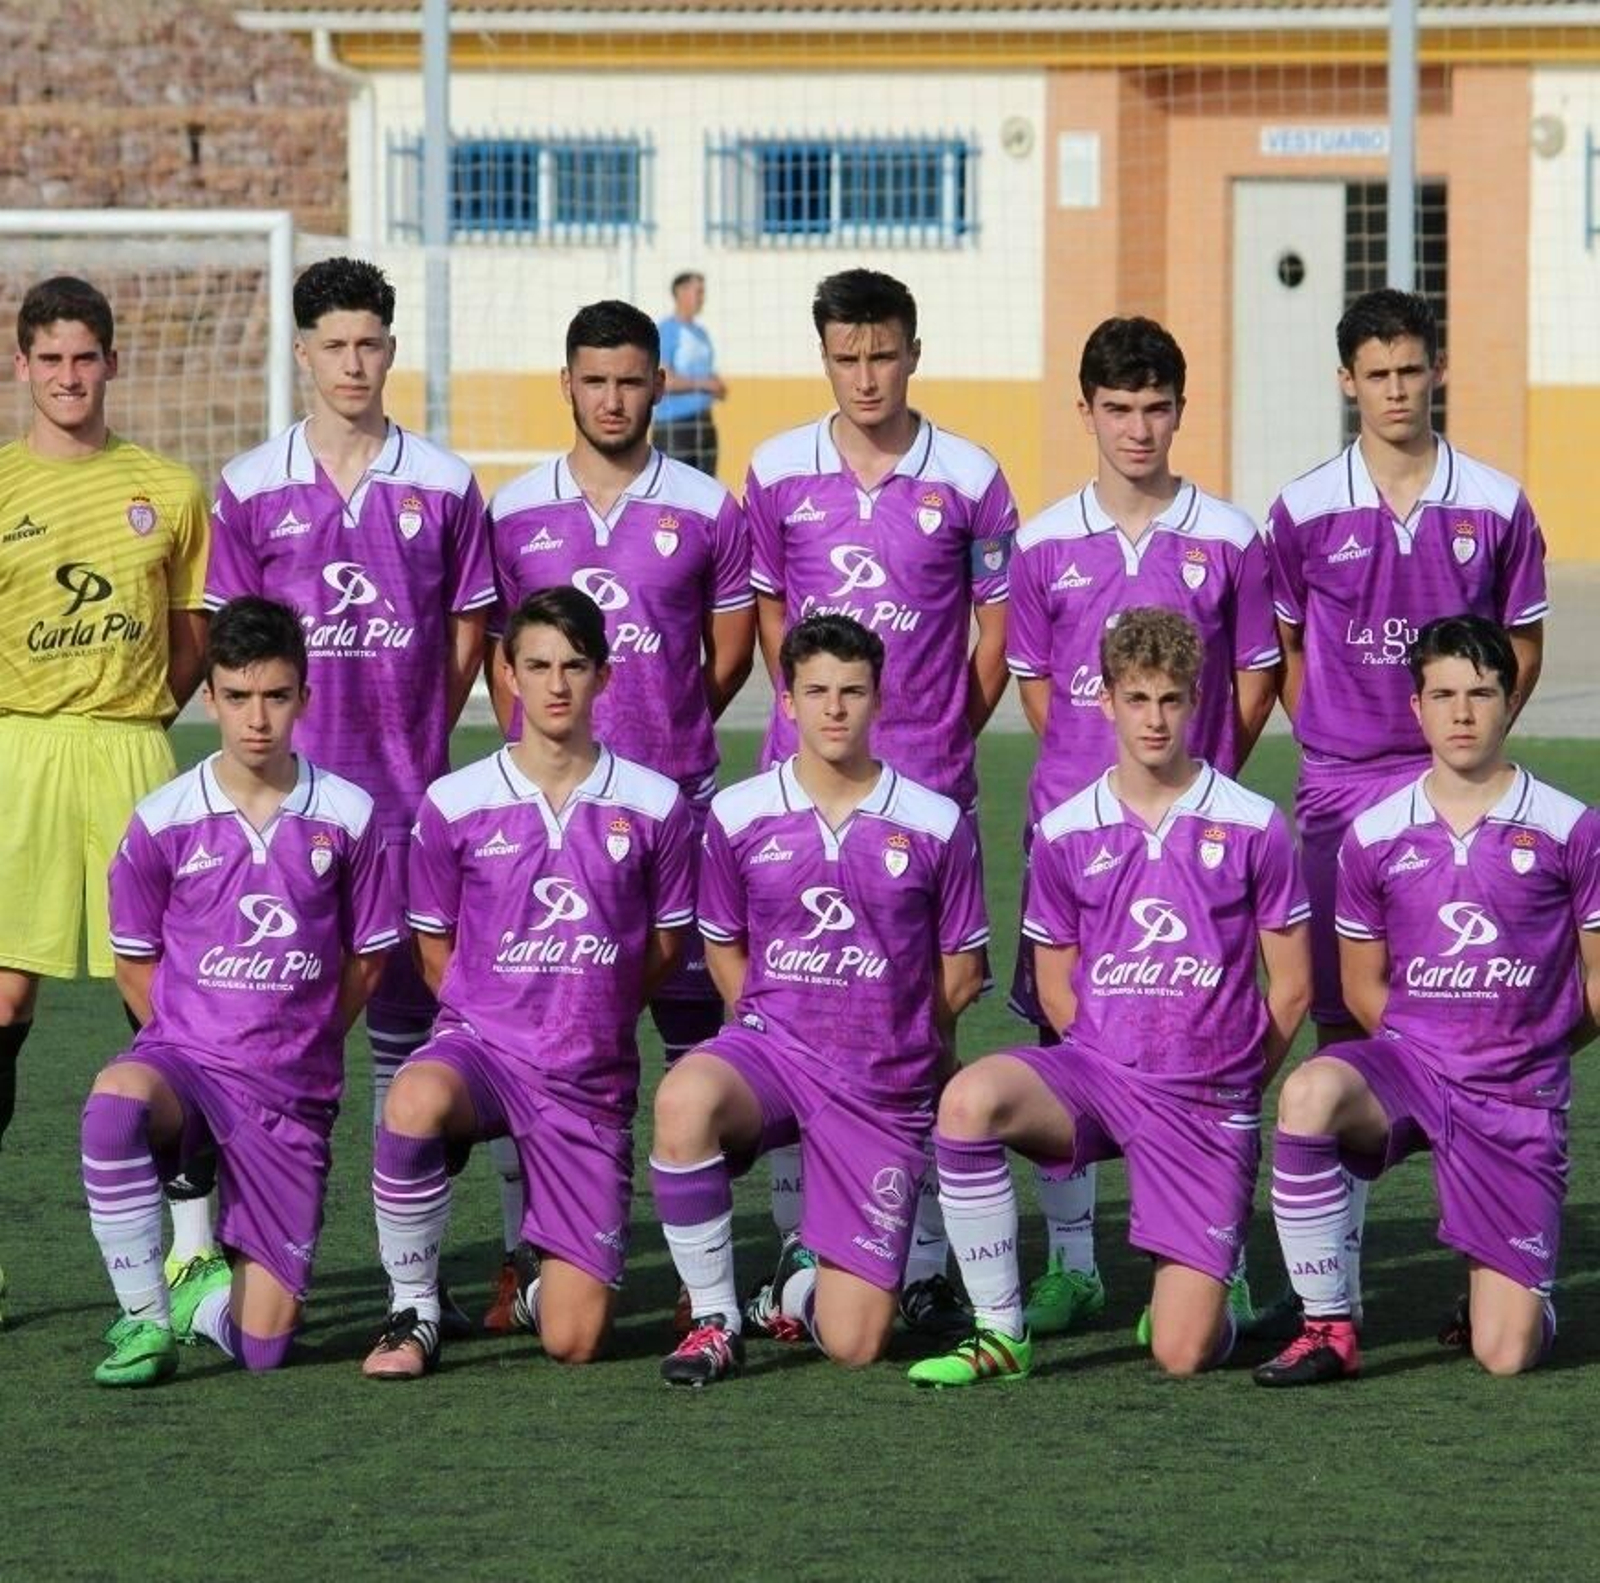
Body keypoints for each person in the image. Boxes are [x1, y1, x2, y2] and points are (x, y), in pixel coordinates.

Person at [907, 607, 1310, 1387]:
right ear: (1106, 701)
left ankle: (1219, 1285)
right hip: (1099, 1079)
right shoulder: (1064, 829)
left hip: (1205, 1097)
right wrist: (1109, 1062)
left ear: (1198, 701)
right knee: (967, 1102)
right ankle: (1000, 1333)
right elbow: (1056, 981)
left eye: (1170, 699)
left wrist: (1230, 1084)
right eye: (1137, 698)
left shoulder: (1254, 824)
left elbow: (1291, 987)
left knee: (1182, 1352)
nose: (1154, 718)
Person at [205, 257, 495, 1320]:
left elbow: (469, 627)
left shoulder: (445, 482)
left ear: (389, 348)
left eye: (371, 343)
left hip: (406, 808)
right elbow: (232, 641)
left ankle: (408, 1281)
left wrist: (423, 720)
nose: (356, 363)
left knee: (408, 1046)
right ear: (303, 353)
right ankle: (214, 1253)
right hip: (281, 815)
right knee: (253, 1031)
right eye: (335, 345)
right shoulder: (248, 483)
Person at [1260, 288, 1549, 1322]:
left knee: (1475, 996)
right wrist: (1338, 740)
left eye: (1409, 370)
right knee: (1347, 1026)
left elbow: (1519, 644)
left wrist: (1463, 743)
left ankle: (1487, 1203)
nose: (1394, 389)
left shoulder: (1498, 502)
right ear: (1347, 383)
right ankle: (1332, 1286)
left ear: (1437, 372)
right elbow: (1287, 646)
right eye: (1374, 374)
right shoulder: (1299, 509)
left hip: (1463, 790)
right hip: (1344, 789)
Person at [741, 268, 1018, 1335]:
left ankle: (931, 1259)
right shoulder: (775, 470)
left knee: (928, 1016)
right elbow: (769, 615)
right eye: (846, 357)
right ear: (825, 357)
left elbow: (994, 630)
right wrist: (812, 729)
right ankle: (798, 1245)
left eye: (883, 354)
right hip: (797, 791)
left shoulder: (972, 477)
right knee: (790, 1007)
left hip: (925, 791)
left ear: (913, 352)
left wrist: (944, 727)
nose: (866, 376)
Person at [1004, 316, 1280, 1339]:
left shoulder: (1229, 536)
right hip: (1076, 841)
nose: (1136, 427)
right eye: (1116, 407)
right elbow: (1035, 688)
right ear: (1085, 410)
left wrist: (1201, 782)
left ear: (1180, 408)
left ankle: (1223, 1255)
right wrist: (1094, 790)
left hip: (1194, 841)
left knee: (1214, 1032)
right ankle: (1072, 1264)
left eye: (1155, 406)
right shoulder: (1040, 541)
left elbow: (1255, 678)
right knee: (1061, 1031)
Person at [485, 299, 752, 1326]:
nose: (611, 398)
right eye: (593, 380)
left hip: (676, 813)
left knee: (698, 1039)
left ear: (657, 386)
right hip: (552, 825)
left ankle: (705, 1267)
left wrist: (670, 726)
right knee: (540, 1040)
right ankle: (526, 1251)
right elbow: (499, 653)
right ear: (567, 384)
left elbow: (727, 649)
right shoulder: (513, 511)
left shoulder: (704, 506)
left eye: (631, 380)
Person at [1254, 615, 1600, 1386]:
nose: (1463, 712)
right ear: (1417, 708)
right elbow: (1360, 985)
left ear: (1512, 701)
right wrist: (1427, 1050)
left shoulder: (1570, 826)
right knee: (1312, 1090)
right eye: (1443, 694)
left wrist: (1528, 1049)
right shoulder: (1373, 833)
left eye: (1481, 692)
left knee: (1504, 1353)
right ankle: (1327, 1323)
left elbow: (1598, 986)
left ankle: (1515, 1291)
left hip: (1515, 1094)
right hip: (1412, 1071)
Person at [361, 587, 696, 1378]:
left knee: (577, 1342)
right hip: (482, 1052)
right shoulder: (454, 801)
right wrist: (496, 1017)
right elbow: (435, 946)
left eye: (574, 666)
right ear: (503, 673)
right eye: (537, 665)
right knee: (412, 1095)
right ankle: (414, 1309)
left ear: (604, 677)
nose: (555, 684)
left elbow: (664, 943)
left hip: (587, 1075)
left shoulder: (656, 804)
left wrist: (588, 1010)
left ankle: (539, 1287)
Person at [651, 613, 989, 1387]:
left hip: (882, 1080)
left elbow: (962, 969)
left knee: (857, 1339)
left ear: (879, 699)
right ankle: (714, 1318)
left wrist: (897, 1035)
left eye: (852, 691)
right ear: (787, 702)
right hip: (771, 1053)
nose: (834, 708)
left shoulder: (935, 820)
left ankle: (791, 1288)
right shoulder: (738, 813)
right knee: (684, 1097)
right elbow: (723, 943)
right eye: (817, 691)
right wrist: (769, 1027)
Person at [82, 596, 398, 1386]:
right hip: (186, 1067)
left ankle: (202, 1305)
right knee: (116, 1099)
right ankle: (146, 1318)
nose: (257, 718)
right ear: (210, 697)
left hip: (291, 1093)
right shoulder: (162, 819)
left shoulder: (350, 816)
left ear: (304, 698)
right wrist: (199, 1042)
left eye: (276, 696)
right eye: (238, 695)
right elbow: (133, 961)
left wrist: (310, 1035)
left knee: (265, 1345)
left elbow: (368, 955)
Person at [0, 275, 210, 1323]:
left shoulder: (167, 488)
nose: (70, 377)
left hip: (131, 753)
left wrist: (141, 720)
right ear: (22, 363)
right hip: (19, 757)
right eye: (52, 359)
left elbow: (190, 636)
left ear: (112, 364)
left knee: (165, 1003)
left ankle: (194, 1243)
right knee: (2, 999)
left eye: (87, 358)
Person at [652, 271, 725, 477]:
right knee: (674, 492)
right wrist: (704, 384)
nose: (702, 298)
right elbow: (664, 381)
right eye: (698, 292)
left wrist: (716, 385)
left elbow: (705, 373)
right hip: (675, 425)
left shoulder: (701, 333)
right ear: (680, 292)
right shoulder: (666, 330)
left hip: (704, 421)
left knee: (706, 489)